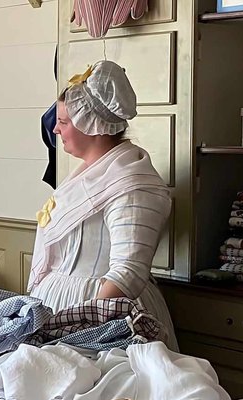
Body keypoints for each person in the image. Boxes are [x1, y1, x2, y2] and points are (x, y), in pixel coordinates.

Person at [28, 60, 178, 350]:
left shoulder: (133, 184)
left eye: (63, 122)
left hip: (103, 309)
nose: (56, 131)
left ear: (92, 125)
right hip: (60, 301)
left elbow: (127, 273)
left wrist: (83, 327)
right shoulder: (88, 173)